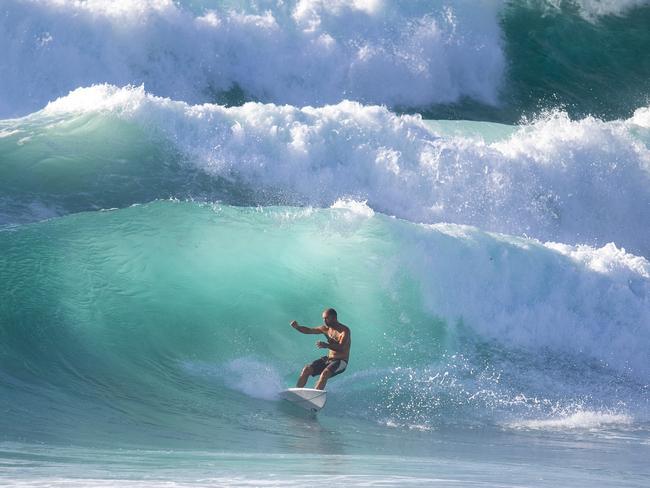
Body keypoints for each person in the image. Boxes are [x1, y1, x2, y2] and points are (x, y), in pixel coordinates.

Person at [290, 308, 351, 390]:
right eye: (323, 319)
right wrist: (297, 327)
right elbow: (309, 330)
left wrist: (326, 345)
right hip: (329, 359)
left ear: (334, 318)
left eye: (327, 318)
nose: (324, 321)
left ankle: (314, 396)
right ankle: (296, 392)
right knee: (307, 369)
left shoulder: (344, 331)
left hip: (341, 361)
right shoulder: (326, 329)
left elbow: (341, 348)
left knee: (324, 374)